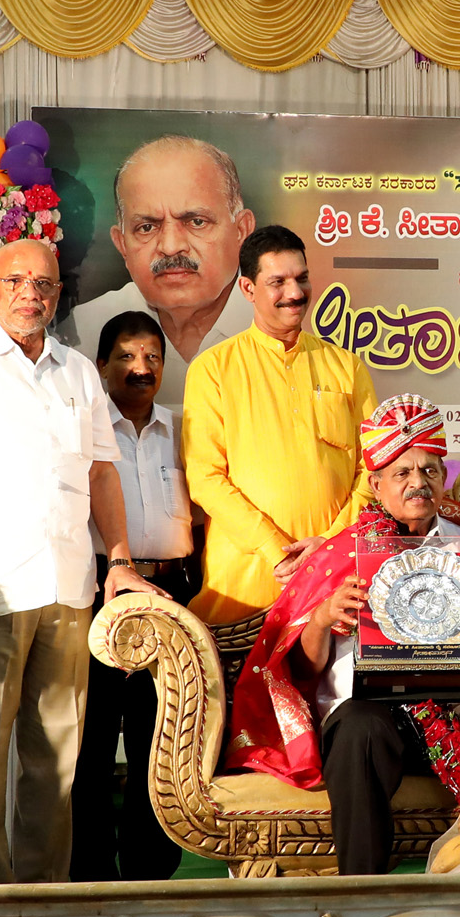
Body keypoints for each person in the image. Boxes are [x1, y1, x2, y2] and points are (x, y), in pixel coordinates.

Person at [0, 239, 159, 883]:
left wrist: (120, 560)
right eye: (16, 280)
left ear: (57, 294)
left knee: (58, 764)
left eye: (43, 283)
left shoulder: (77, 371)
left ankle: (44, 901)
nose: (30, 293)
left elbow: (101, 474)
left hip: (69, 590)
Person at [221, 395, 460, 874]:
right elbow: (305, 670)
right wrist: (322, 618)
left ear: (444, 478)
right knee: (359, 730)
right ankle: (363, 900)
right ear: (376, 484)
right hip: (373, 713)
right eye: (403, 473)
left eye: (430, 470)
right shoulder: (341, 555)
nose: (419, 483)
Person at [181, 225, 378, 625]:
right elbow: (205, 479)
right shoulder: (213, 369)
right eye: (278, 282)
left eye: (301, 278)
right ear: (248, 289)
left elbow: (374, 468)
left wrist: (329, 545)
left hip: (336, 582)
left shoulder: (347, 367)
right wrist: (276, 551)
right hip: (246, 587)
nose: (295, 292)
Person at [71, 310, 197, 882]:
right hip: (101, 588)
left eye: (152, 357)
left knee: (162, 734)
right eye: (125, 356)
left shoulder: (184, 429)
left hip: (172, 592)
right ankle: (91, 871)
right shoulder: (89, 434)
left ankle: (152, 871)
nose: (140, 368)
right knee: (94, 737)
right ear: (102, 365)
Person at [60, 135, 255, 408]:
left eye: (196, 222)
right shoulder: (82, 336)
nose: (171, 247)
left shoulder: (284, 327)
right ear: (122, 244)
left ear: (241, 230)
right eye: (147, 227)